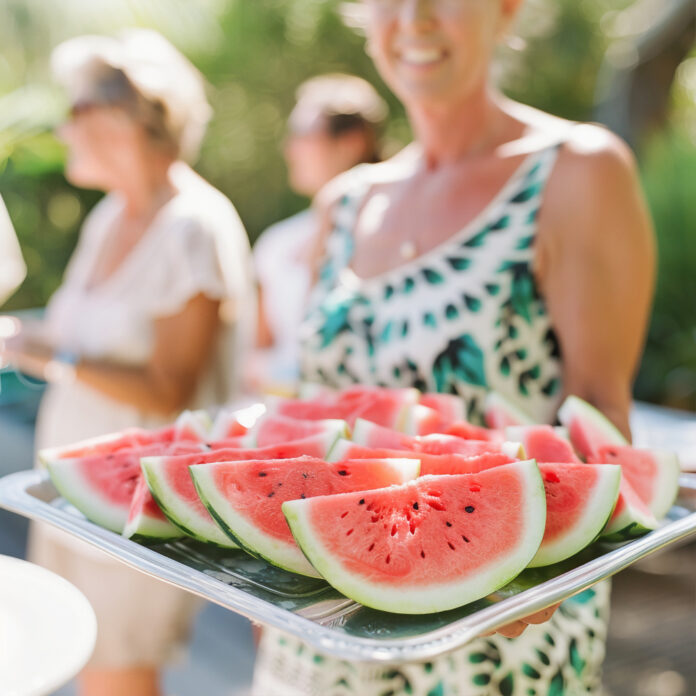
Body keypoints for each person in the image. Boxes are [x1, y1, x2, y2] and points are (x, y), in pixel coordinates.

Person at [252, 1, 655, 695]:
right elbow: (317, 416)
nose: (414, 18)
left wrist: (536, 578)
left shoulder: (577, 172)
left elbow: (601, 427)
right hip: (321, 639)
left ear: (506, 9)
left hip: (500, 639)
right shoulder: (343, 204)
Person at [1, 30, 255, 696]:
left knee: (117, 680)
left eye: (73, 109)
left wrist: (41, 351)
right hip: (71, 493)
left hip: (141, 510)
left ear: (122, 115)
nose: (62, 126)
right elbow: (63, 338)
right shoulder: (109, 217)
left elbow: (171, 388)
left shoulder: (193, 226)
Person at [253, 74, 387, 389]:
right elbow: (260, 347)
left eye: (302, 134)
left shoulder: (387, 239)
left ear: (351, 143)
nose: (289, 149)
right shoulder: (276, 242)